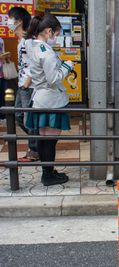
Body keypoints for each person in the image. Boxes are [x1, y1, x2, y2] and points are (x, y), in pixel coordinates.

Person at [24, 14, 75, 186]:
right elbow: (54, 79)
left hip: (39, 98)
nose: (56, 38)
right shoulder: (46, 53)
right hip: (52, 99)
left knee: (44, 138)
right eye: (56, 34)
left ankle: (48, 171)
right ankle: (48, 175)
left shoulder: (31, 45)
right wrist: (67, 65)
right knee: (50, 141)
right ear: (48, 31)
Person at [7, 7, 40, 161]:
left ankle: (35, 150)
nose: (9, 21)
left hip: (28, 86)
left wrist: (27, 84)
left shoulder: (29, 41)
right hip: (22, 85)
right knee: (20, 116)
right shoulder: (21, 40)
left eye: (10, 18)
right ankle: (38, 142)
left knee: (28, 118)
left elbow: (36, 64)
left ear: (19, 21)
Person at [0, 37, 10, 120]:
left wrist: (6, 56)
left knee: (3, 93)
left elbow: (3, 52)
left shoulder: (1, 40)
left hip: (2, 72)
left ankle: (2, 114)